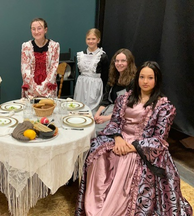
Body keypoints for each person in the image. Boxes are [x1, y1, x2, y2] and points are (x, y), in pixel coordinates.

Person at [75, 61, 193, 216]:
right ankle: (95, 205)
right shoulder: (124, 99)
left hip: (142, 146)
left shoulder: (164, 107)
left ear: (157, 80)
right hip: (120, 139)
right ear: (137, 78)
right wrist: (117, 139)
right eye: (142, 77)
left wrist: (132, 147)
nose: (145, 81)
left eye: (150, 78)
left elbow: (159, 139)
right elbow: (115, 122)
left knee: (126, 161)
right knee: (97, 153)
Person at [94, 48, 136, 132]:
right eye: (117, 61)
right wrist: (97, 115)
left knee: (94, 130)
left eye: (123, 61)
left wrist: (106, 118)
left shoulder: (134, 82)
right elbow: (105, 101)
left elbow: (128, 109)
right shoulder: (113, 78)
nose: (119, 63)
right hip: (107, 111)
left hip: (121, 118)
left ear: (129, 63)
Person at [21, 18, 60, 98]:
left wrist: (42, 88)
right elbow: (25, 69)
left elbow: (54, 69)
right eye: (33, 29)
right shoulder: (26, 46)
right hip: (31, 90)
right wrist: (34, 88)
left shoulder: (54, 46)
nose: (36, 32)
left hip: (48, 90)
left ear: (45, 30)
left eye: (39, 28)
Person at [74, 28, 109, 114]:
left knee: (92, 110)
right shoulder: (80, 55)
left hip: (95, 86)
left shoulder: (102, 56)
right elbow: (80, 71)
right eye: (88, 39)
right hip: (81, 85)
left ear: (98, 40)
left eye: (93, 39)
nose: (91, 41)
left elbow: (105, 75)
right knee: (79, 108)